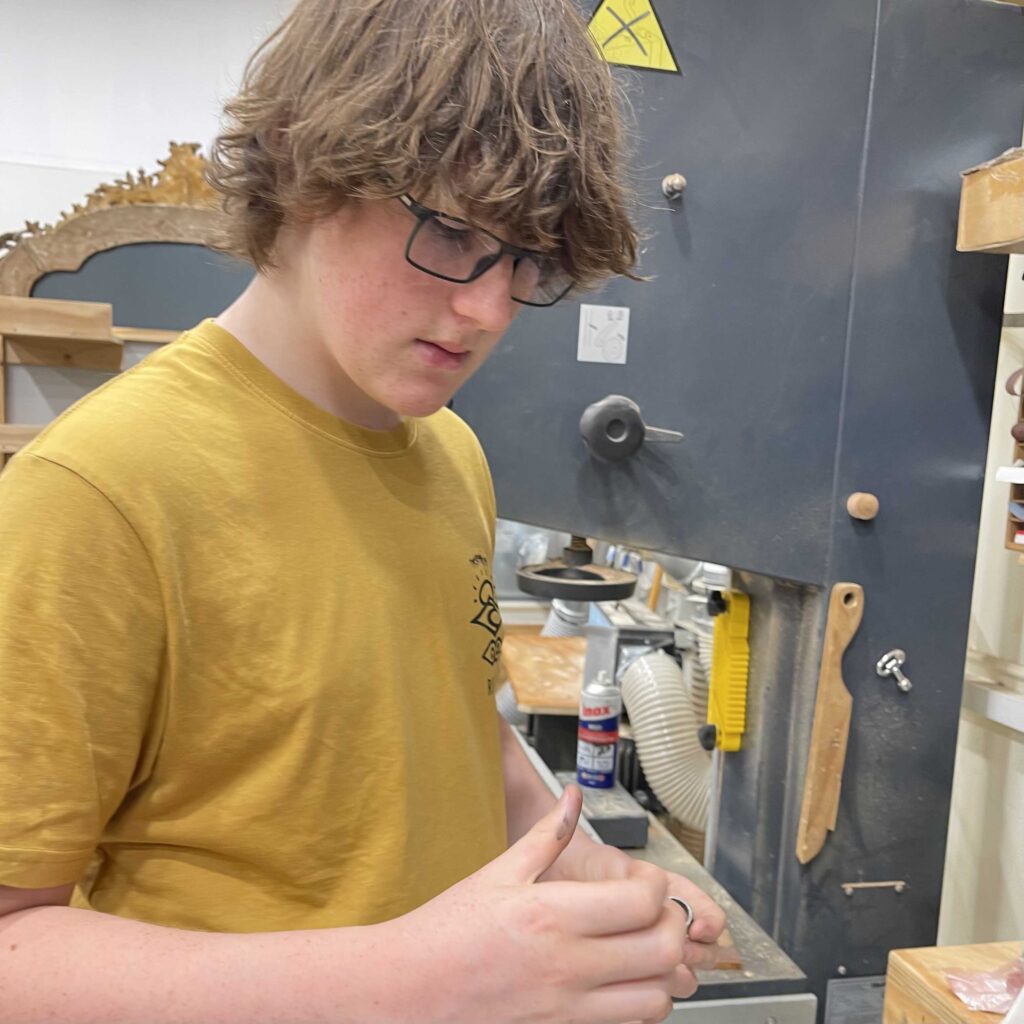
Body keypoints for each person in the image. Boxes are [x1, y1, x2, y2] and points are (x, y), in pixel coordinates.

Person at [0, 1, 725, 1021]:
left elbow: (451, 729)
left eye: (527, 261)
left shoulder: (450, 454)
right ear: (302, 161)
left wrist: (588, 879)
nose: (488, 310)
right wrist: (418, 979)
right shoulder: (99, 494)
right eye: (452, 230)